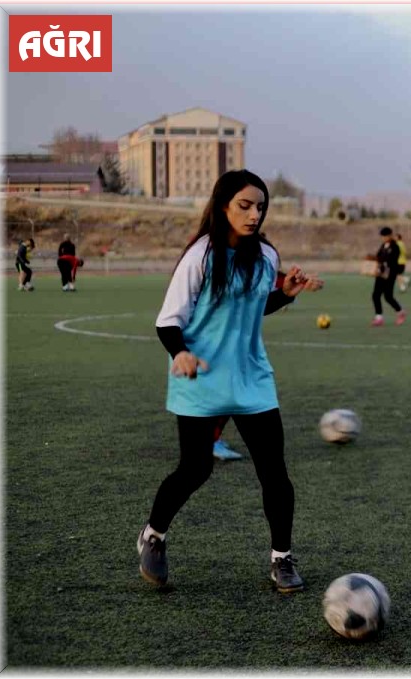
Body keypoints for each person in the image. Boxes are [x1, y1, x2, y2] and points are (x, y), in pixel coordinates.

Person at [141, 169, 322, 593]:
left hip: (252, 378)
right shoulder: (200, 255)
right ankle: (153, 535)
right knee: (195, 468)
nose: (254, 214)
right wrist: (180, 352)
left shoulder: (267, 257)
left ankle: (282, 559)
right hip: (200, 375)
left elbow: (257, 306)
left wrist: (287, 295)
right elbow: (168, 322)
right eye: (245, 205)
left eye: (260, 206)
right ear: (223, 205)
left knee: (274, 472)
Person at [212, 269, 323, 462]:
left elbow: (258, 299)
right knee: (231, 388)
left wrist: (290, 289)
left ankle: (208, 439)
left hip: (234, 338)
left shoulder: (258, 256)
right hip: (215, 335)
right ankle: (207, 441)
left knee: (234, 388)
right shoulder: (215, 255)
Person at [367, 227, 406, 327]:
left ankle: (401, 312)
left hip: (390, 274)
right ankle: (379, 318)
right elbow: (379, 256)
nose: (383, 238)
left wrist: (381, 262)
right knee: (376, 295)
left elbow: (391, 261)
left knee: (388, 296)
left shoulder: (395, 247)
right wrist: (372, 258)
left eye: (385, 236)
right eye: (382, 236)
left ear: (390, 235)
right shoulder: (383, 245)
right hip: (381, 273)